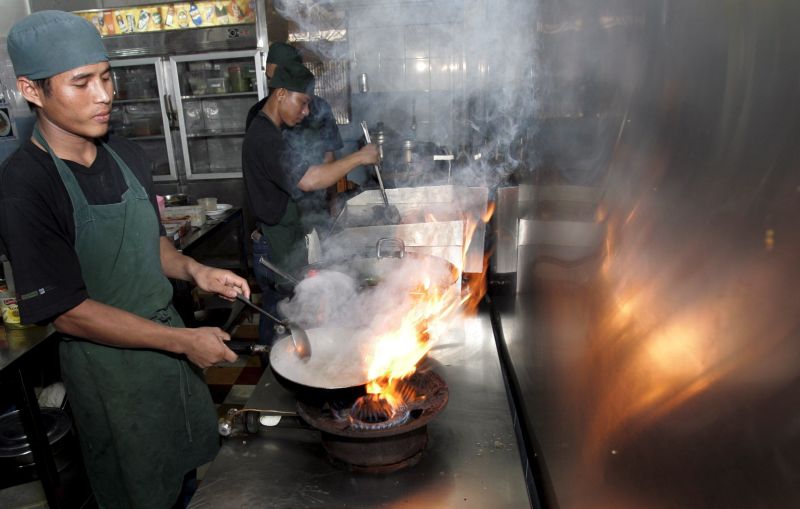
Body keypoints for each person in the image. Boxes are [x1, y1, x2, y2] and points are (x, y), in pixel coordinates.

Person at [0, 11, 250, 509]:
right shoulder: (24, 186)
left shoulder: (126, 155)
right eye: (82, 82)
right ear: (32, 90)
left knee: (187, 480)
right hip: (111, 375)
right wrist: (181, 341)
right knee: (138, 493)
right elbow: (68, 311)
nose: (105, 94)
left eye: (107, 75)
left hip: (170, 355)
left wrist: (195, 269)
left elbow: (150, 245)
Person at [242, 61, 378, 345]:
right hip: (273, 245)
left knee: (290, 316)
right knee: (282, 320)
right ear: (280, 94)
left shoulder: (274, 132)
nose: (305, 112)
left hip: (284, 237)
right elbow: (309, 179)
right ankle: (274, 373)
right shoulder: (265, 136)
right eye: (302, 103)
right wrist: (360, 157)